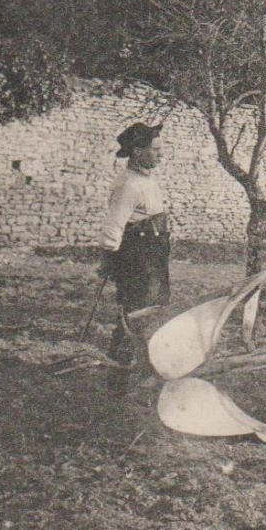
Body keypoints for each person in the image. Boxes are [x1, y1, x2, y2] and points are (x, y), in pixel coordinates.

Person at [99, 122, 170, 365]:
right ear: (138, 152)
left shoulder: (146, 180)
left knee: (153, 307)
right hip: (136, 258)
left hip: (153, 255)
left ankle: (143, 359)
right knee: (135, 310)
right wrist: (109, 260)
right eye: (155, 149)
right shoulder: (128, 185)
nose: (162, 154)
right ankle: (121, 362)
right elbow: (114, 224)